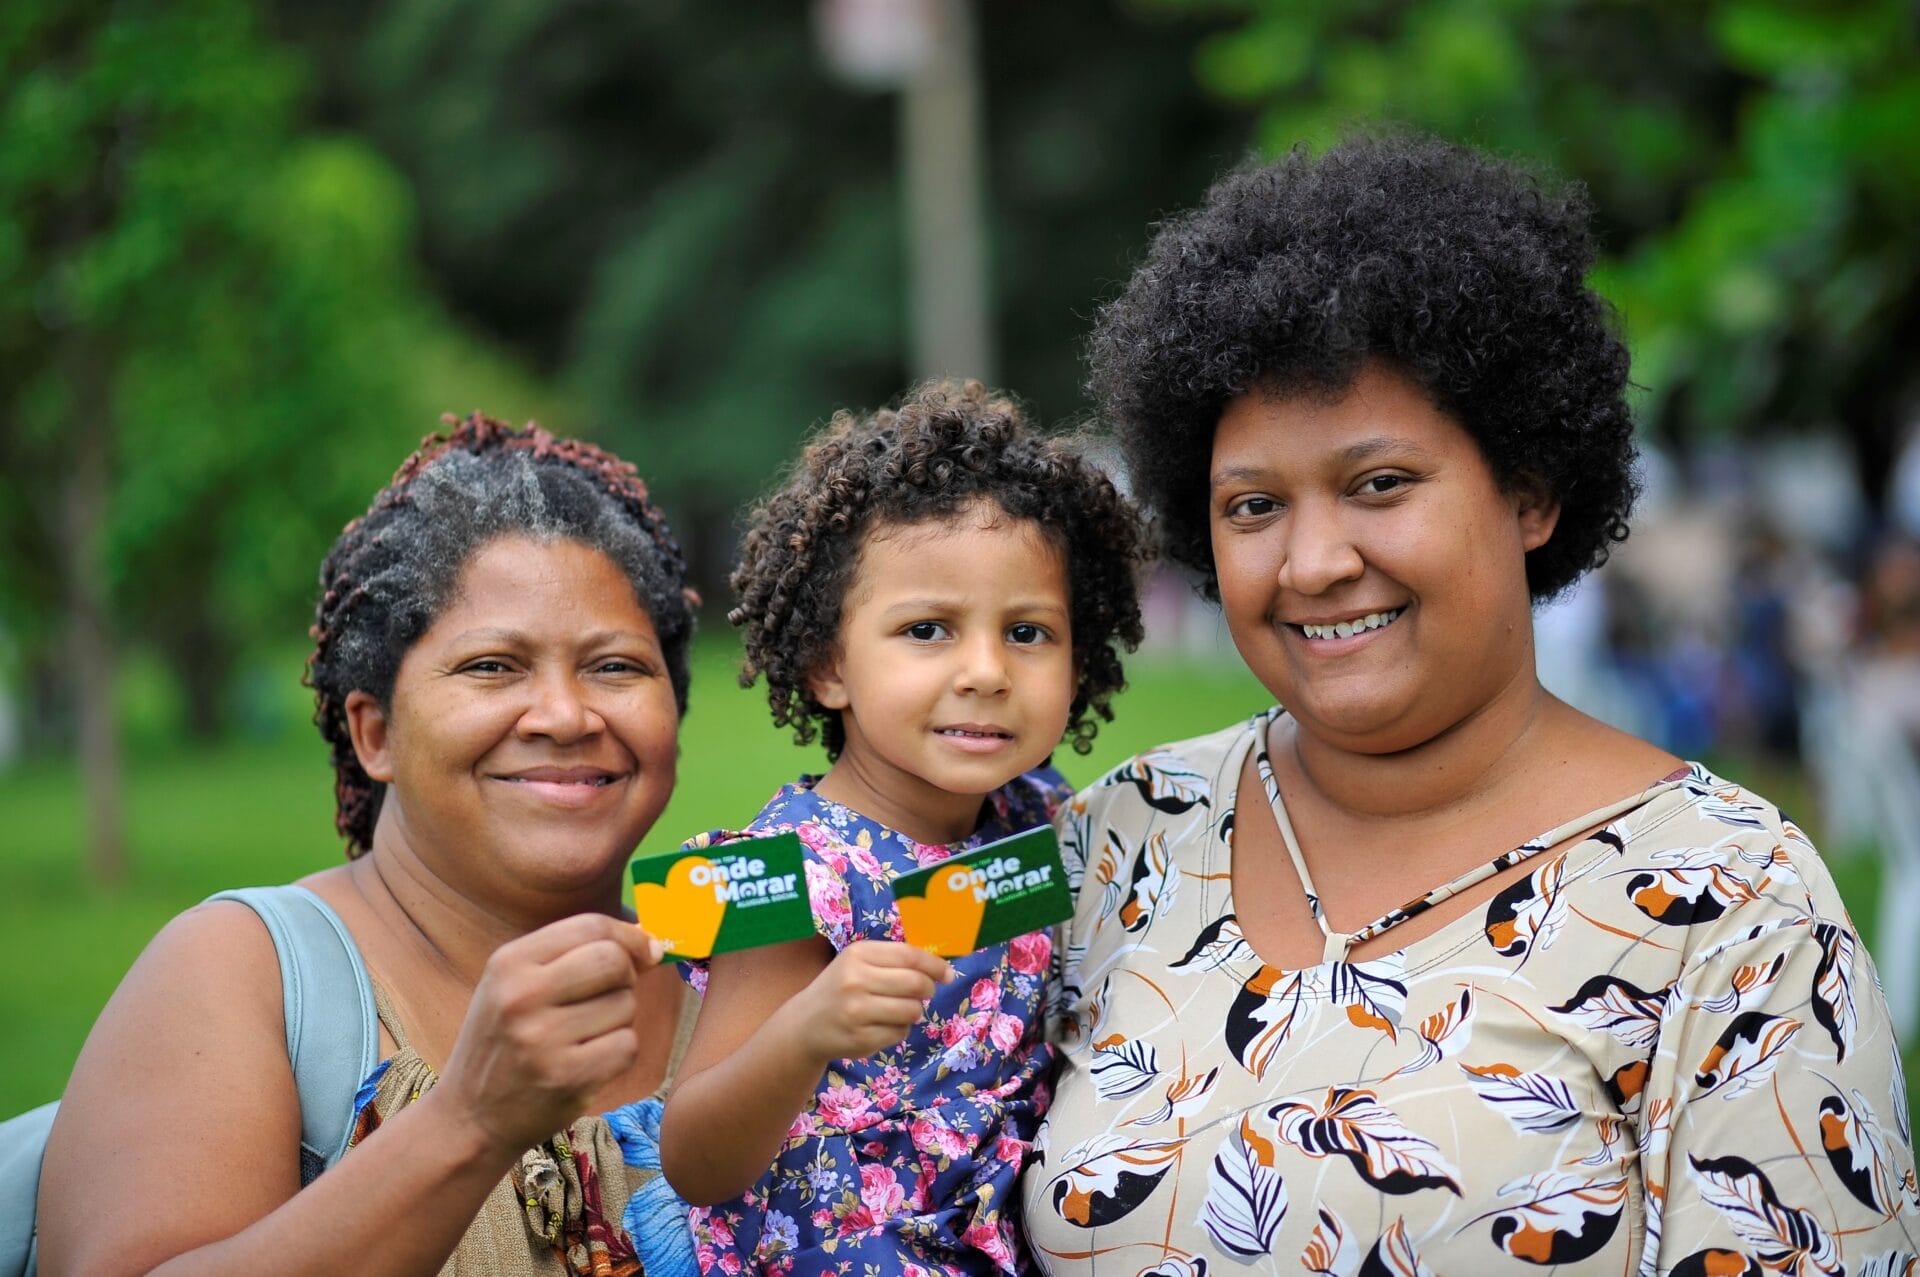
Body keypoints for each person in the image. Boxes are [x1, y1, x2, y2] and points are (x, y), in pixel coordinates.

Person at [1021, 137, 1920, 1274]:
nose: (1310, 561)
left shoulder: (1731, 909)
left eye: (1379, 483)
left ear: (1530, 488)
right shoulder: (1117, 843)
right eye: (1252, 504)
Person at [38, 415, 702, 1277]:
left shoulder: (742, 983)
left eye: (615, 666)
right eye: (493, 666)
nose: (567, 715)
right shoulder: (241, 973)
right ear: (375, 732)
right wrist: (468, 1119)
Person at [658, 381, 1148, 1274]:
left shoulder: (1038, 819)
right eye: (928, 629)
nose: (987, 670)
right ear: (827, 663)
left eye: (1030, 632)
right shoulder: (786, 876)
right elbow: (694, 1158)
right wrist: (806, 1029)